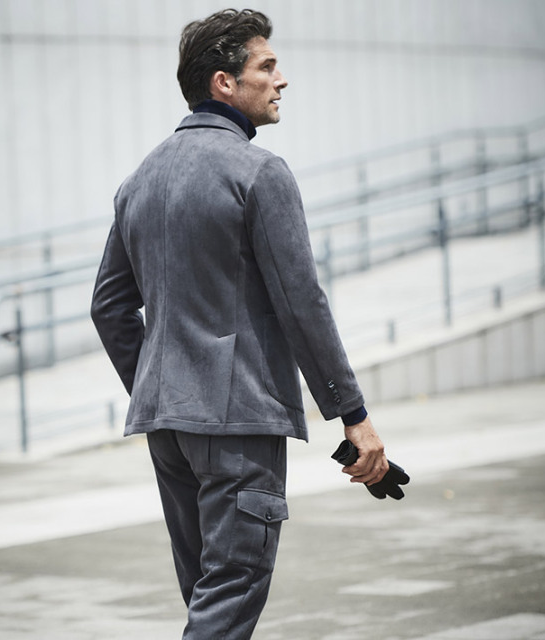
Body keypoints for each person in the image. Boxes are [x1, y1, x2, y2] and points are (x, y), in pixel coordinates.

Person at [91, 8, 388, 639]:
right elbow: (300, 302)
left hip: (167, 425)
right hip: (238, 425)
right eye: (267, 66)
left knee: (208, 594)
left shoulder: (138, 180)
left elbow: (109, 308)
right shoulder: (258, 171)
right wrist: (353, 415)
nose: (282, 79)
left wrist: (160, 387)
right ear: (224, 82)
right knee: (230, 593)